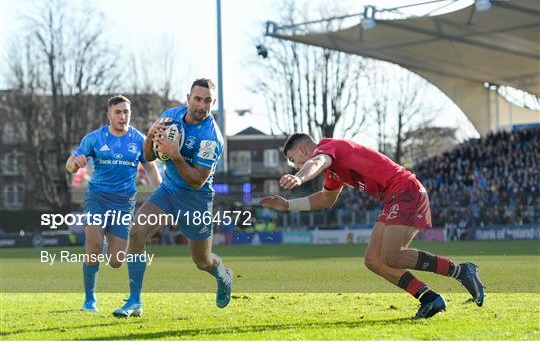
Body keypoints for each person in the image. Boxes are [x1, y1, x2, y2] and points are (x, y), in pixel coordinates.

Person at [259, 133, 485, 319]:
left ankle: (460, 270)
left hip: (406, 191)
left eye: (293, 159)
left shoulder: (328, 148)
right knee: (374, 260)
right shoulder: (333, 168)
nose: (295, 164)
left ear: (302, 151)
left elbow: (317, 162)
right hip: (393, 197)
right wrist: (288, 205)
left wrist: (299, 177)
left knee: (392, 256)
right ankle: (429, 298)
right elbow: (327, 198)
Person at [112, 78, 232, 318]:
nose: (202, 105)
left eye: (208, 100)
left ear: (213, 103)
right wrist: (150, 137)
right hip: (168, 191)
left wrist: (176, 156)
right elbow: (148, 155)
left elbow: (197, 180)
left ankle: (222, 274)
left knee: (202, 261)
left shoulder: (211, 138)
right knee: (136, 231)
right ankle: (135, 301)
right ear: (188, 98)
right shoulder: (170, 117)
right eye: (197, 99)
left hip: (196, 200)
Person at [65, 95, 162, 312]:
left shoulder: (139, 140)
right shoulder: (94, 138)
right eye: (118, 112)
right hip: (97, 197)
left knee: (117, 261)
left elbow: (151, 168)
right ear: (109, 115)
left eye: (126, 112)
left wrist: (160, 192)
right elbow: (70, 164)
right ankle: (89, 300)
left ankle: (107, 239)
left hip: (124, 201)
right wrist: (74, 164)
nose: (122, 116)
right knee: (93, 246)